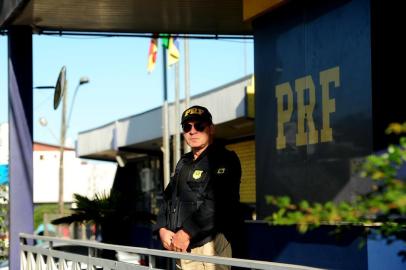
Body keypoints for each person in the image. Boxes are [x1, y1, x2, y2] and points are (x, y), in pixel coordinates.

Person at [155, 105, 242, 270]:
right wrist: (162, 228)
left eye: (199, 126)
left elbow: (218, 202)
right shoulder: (184, 162)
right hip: (182, 248)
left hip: (209, 249)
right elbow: (167, 197)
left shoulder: (225, 159)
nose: (192, 131)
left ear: (211, 129)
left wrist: (186, 232)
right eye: (187, 127)